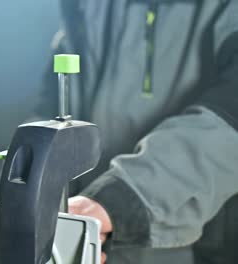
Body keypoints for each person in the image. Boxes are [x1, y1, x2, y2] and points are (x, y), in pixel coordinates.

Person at [51, 1, 238, 263]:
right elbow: (53, 106)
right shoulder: (88, 6)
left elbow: (231, 119)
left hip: (189, 243)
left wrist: (119, 201)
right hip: (84, 227)